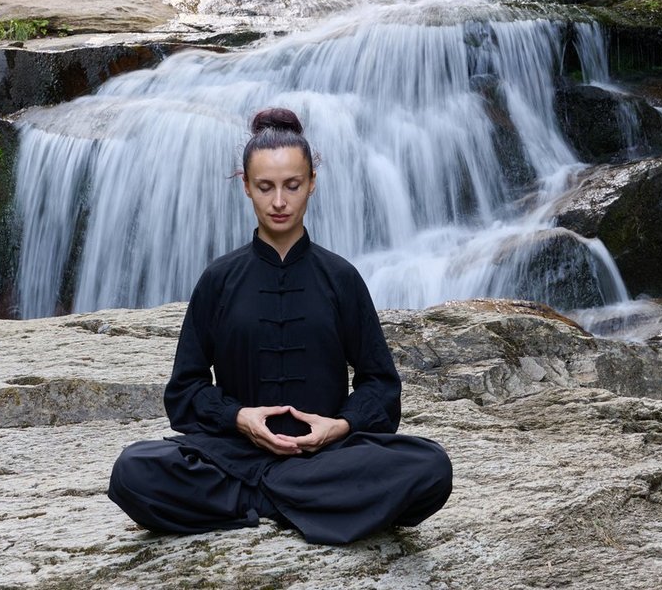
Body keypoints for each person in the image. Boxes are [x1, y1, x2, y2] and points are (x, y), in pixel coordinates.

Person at [107, 107, 453, 545]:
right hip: (233, 455)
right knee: (133, 470)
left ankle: (257, 501)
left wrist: (340, 426)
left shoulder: (340, 278)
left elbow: (381, 387)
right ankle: (300, 502)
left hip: (327, 456)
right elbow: (184, 391)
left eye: (292, 186)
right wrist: (238, 417)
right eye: (265, 187)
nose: (279, 202)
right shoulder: (219, 278)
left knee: (431, 467)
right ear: (246, 186)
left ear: (312, 183)